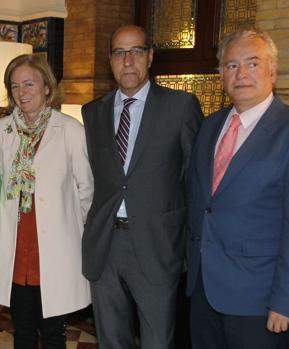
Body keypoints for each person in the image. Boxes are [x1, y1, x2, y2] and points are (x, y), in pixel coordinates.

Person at [186, 29, 289, 349]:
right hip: (203, 290)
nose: (241, 73)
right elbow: (202, 203)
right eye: (231, 65)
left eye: (253, 63)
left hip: (258, 301)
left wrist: (286, 301)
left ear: (273, 70)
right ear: (221, 75)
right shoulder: (210, 125)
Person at [81, 24, 203, 348]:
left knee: (157, 341)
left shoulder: (181, 107)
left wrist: (190, 247)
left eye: (136, 51)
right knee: (111, 339)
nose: (128, 60)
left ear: (150, 57)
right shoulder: (92, 112)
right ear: (110, 60)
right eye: (120, 52)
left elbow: (194, 179)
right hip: (105, 244)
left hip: (156, 244)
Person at [0, 54, 94, 349]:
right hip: (17, 244)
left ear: (47, 87)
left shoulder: (70, 130)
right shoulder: (4, 129)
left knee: (52, 332)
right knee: (21, 329)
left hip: (54, 248)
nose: (22, 92)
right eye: (14, 86)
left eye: (29, 83)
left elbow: (86, 188)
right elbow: (1, 178)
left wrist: (74, 227)